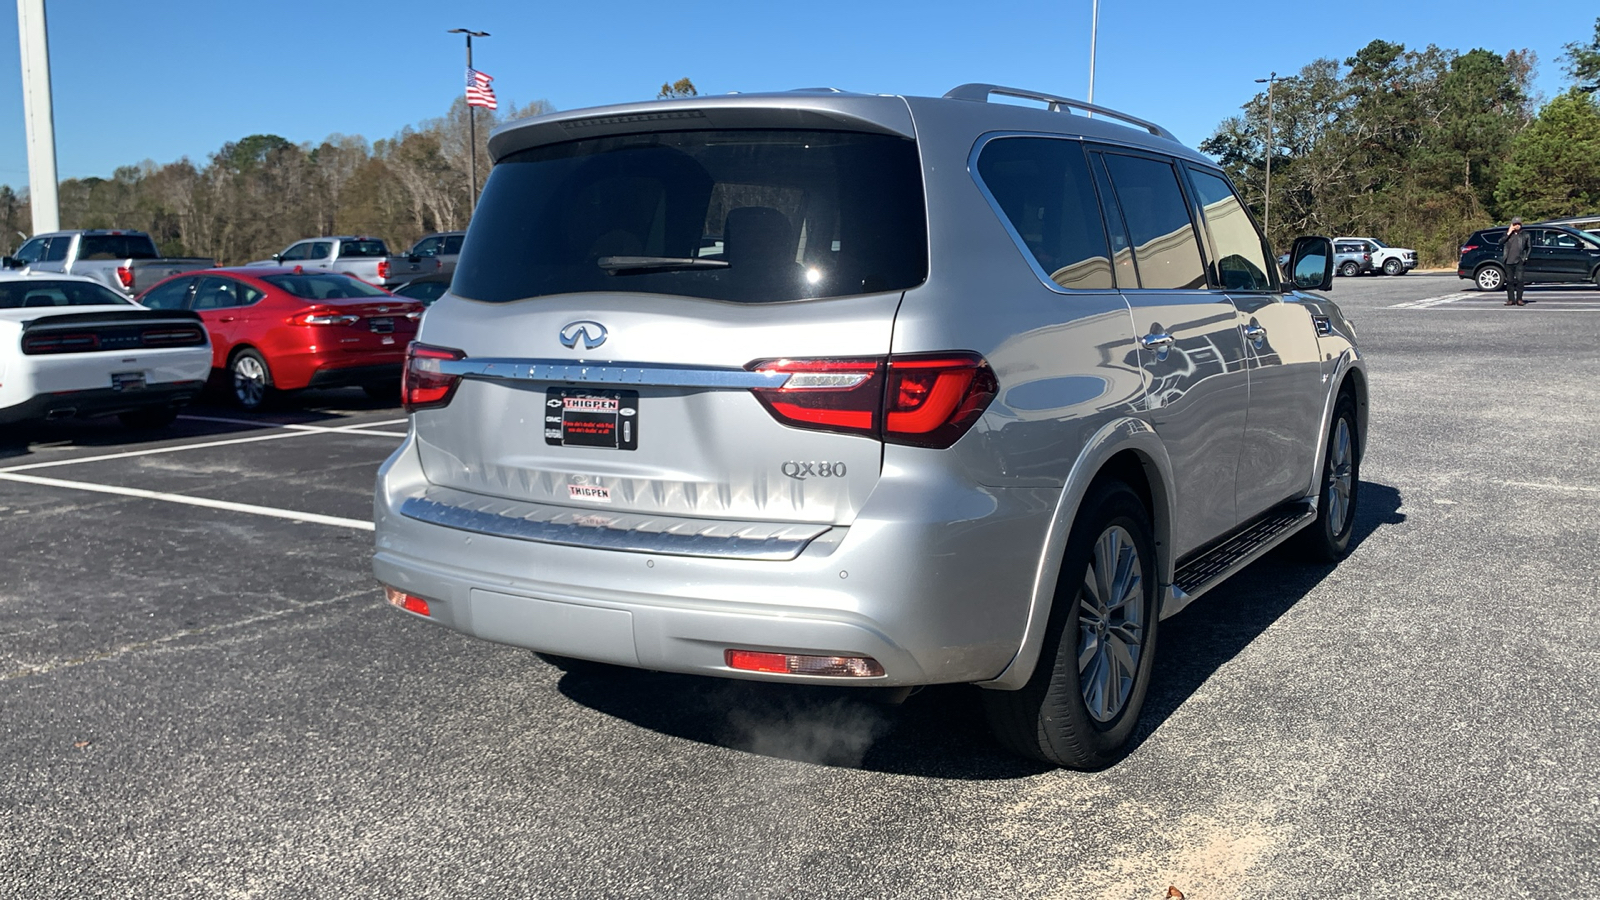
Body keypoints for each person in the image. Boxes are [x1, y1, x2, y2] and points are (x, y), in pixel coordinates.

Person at [1502, 217, 1531, 306]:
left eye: (1518, 224)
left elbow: (1529, 247)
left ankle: (1519, 299)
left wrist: (1525, 258)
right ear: (1512, 225)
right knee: (1510, 281)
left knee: (1520, 280)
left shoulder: (1525, 235)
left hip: (1519, 261)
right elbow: (1500, 242)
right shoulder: (1507, 235)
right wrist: (1509, 232)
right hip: (1508, 261)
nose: (1517, 226)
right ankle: (1511, 299)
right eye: (1515, 224)